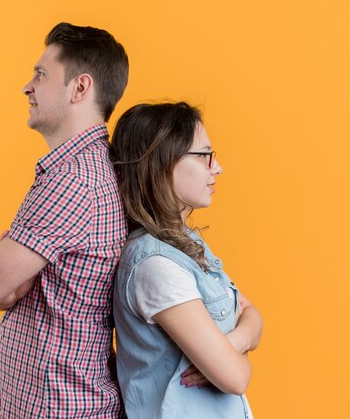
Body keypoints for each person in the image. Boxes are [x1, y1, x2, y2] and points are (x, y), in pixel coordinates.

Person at [0, 22, 129, 419]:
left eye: (41, 74)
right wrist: (5, 280)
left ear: (80, 88)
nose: (27, 87)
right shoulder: (81, 171)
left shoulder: (73, 182)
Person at [110, 102, 263, 419]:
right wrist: (235, 350)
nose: (217, 167)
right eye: (204, 155)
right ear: (162, 163)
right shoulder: (155, 265)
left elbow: (252, 315)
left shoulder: (185, 244)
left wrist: (232, 343)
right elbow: (236, 378)